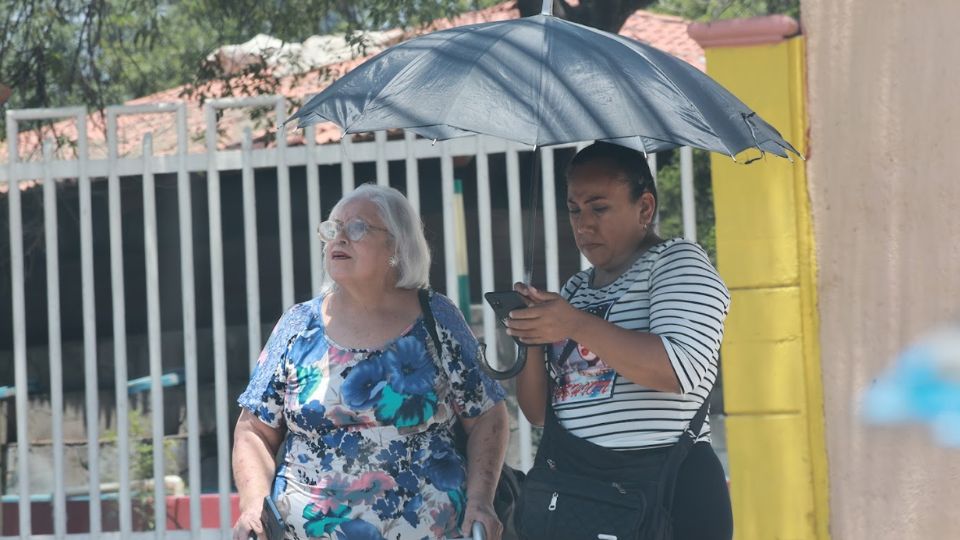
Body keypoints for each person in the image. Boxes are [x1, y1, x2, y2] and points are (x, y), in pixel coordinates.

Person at [232, 183, 509, 540]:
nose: (340, 238)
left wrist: (480, 500)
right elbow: (254, 430)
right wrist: (253, 503)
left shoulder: (436, 318)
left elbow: (487, 413)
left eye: (357, 228)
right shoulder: (298, 324)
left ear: (397, 245)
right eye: (333, 228)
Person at [507, 142, 734, 540]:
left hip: (669, 491)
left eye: (599, 207)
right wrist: (532, 337)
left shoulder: (677, 262)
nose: (583, 225)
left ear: (644, 208)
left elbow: (679, 369)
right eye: (574, 209)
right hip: (584, 495)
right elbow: (538, 413)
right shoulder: (576, 290)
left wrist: (574, 324)